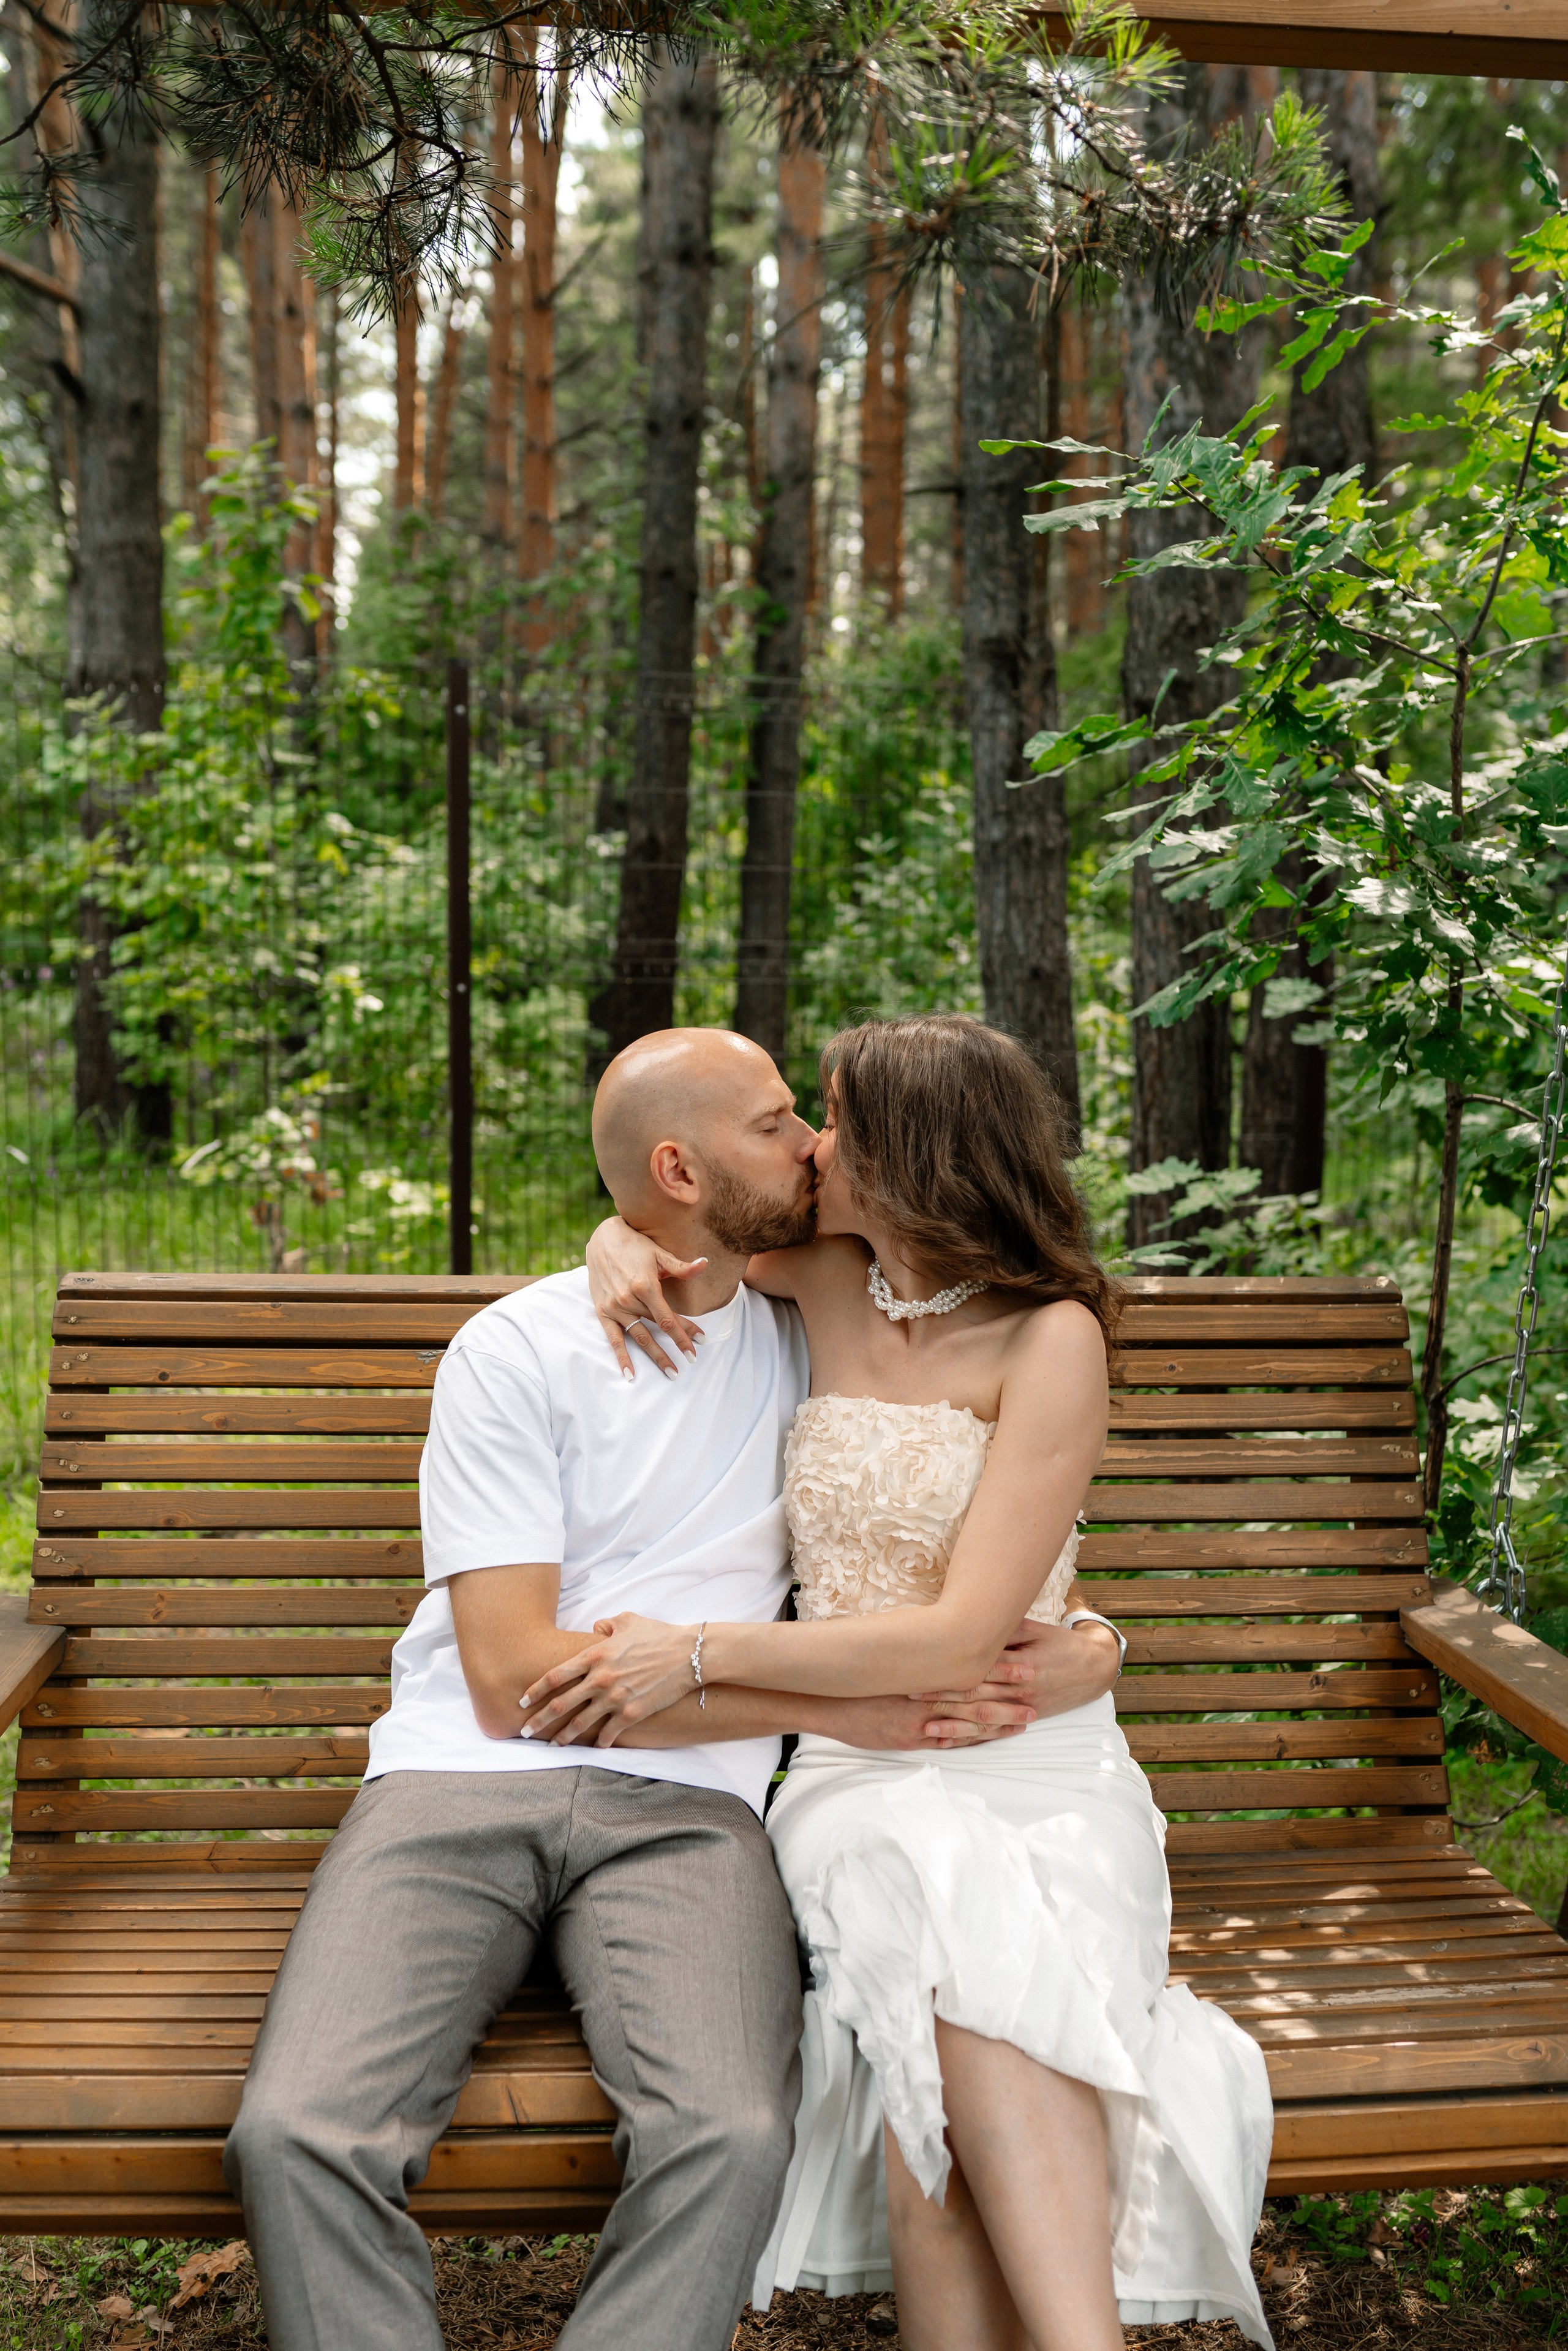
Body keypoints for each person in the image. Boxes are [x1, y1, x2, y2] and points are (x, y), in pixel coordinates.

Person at [223, 1023, 1124, 2351]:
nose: (812, 1143)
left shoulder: (809, 1307)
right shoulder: (521, 1349)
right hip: (456, 1782)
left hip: (692, 1795)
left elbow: (974, 1556)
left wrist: (1097, 1641)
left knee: (729, 2128)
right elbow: (510, 1678)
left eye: (810, 1117)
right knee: (294, 2129)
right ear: (678, 1170)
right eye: (777, 1123)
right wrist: (827, 1710)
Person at [530, 1012, 1275, 2351]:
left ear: (921, 1155)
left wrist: (696, 1650)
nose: (814, 1143)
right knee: (935, 1890)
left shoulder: (1047, 1339)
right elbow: (667, 1219)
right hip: (856, 1769)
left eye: (836, 1119)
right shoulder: (815, 1278)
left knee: (927, 2093)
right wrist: (613, 1240)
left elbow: (953, 1642)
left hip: (1032, 1754)